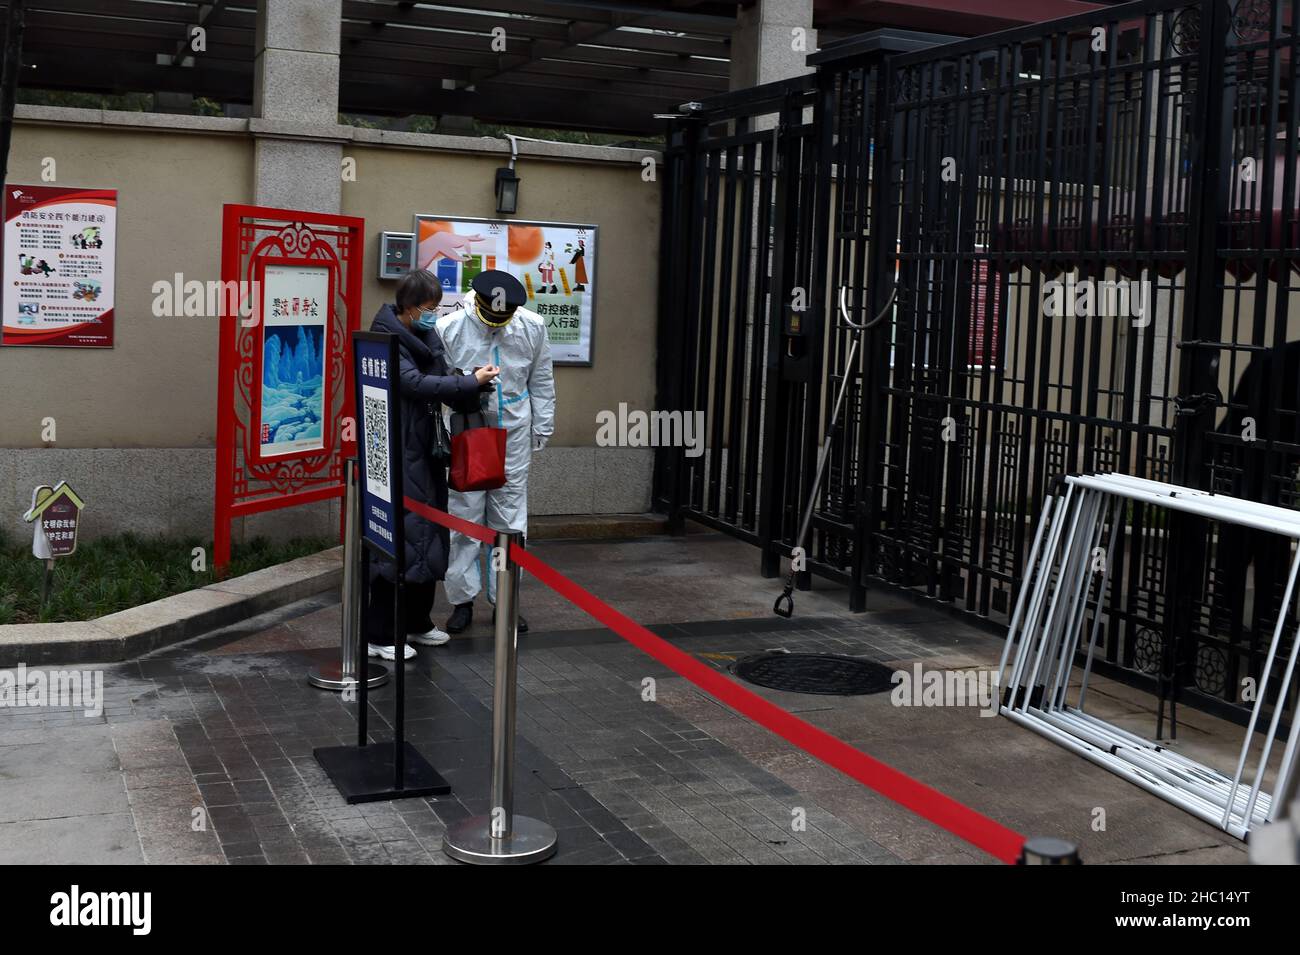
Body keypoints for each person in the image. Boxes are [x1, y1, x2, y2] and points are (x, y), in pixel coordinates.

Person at [365, 269, 499, 660]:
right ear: (407, 306)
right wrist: (467, 382)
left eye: (436, 308)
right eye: (428, 308)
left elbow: (441, 376)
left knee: (427, 536)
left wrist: (473, 383)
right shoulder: (386, 338)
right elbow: (415, 384)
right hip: (397, 450)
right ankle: (381, 634)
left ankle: (416, 622)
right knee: (398, 539)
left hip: (426, 449)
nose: (433, 314)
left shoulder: (426, 334)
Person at [438, 269, 555, 634]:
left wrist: (543, 425)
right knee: (465, 517)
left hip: (514, 431)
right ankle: (461, 600)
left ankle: (504, 598)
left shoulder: (532, 326)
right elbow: (439, 382)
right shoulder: (450, 327)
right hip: (469, 428)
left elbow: (541, 378)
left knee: (510, 520)